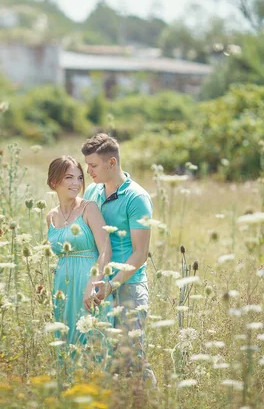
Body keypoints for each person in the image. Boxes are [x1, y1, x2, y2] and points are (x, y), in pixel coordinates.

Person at [81, 133, 157, 384]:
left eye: (93, 165)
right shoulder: (93, 191)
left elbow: (140, 253)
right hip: (97, 287)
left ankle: (148, 399)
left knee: (131, 357)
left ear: (111, 163)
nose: (88, 170)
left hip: (129, 288)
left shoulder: (137, 198)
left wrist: (112, 284)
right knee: (103, 358)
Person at [46, 156, 112, 348]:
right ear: (53, 182)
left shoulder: (88, 208)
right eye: (69, 177)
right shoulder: (51, 216)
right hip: (62, 286)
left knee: (91, 341)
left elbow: (106, 251)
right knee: (66, 342)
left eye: (80, 178)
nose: (76, 183)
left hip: (88, 282)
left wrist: (92, 285)